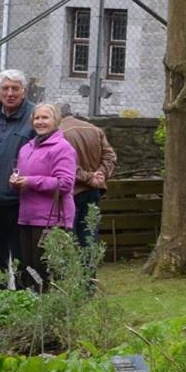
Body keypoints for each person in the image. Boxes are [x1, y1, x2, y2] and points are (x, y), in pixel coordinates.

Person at [9, 102, 78, 288]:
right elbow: (24, 179)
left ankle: (52, 311)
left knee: (47, 272)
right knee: (29, 270)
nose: (40, 122)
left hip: (52, 218)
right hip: (27, 217)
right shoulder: (26, 148)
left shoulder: (62, 148)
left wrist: (30, 181)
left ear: (56, 120)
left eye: (45, 118)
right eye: (37, 118)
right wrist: (16, 182)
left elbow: (65, 183)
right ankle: (33, 310)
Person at [0, 69, 36, 280]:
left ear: (24, 91)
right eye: (5, 89)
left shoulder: (34, 116)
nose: (10, 93)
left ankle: (22, 300)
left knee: (22, 258)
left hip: (20, 199)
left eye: (15, 89)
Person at [57, 110, 117, 285]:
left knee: (69, 237)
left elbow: (65, 166)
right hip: (93, 191)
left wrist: (88, 177)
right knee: (89, 236)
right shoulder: (94, 129)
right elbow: (110, 157)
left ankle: (71, 282)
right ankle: (89, 282)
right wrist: (100, 175)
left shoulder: (58, 133)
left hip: (71, 192)